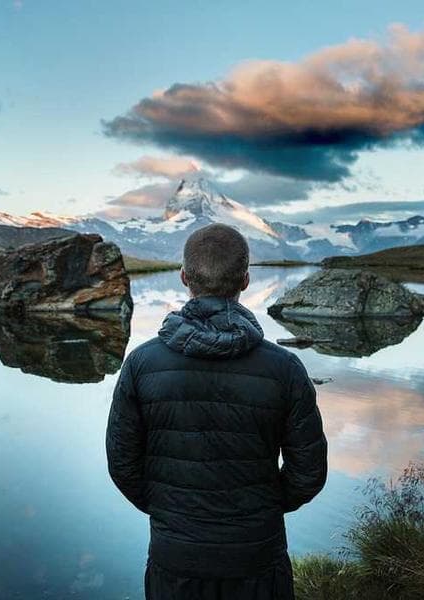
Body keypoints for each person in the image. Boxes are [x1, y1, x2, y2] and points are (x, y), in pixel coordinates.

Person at [106, 223, 328, 600]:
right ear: (245, 280)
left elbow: (122, 465)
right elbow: (308, 472)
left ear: (184, 277)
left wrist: (168, 510)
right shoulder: (285, 368)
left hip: (175, 560)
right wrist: (264, 507)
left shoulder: (141, 364)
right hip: (257, 557)